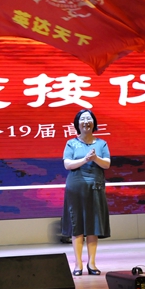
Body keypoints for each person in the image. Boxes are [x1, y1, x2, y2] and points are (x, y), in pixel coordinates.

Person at [61, 109, 111, 276]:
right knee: (77, 226)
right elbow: (67, 164)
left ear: (93, 123)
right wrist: (85, 160)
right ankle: (78, 264)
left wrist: (95, 158)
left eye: (89, 119)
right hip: (75, 188)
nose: (86, 122)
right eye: (82, 119)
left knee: (93, 226)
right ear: (77, 124)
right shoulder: (71, 143)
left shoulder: (101, 143)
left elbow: (106, 164)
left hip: (95, 187)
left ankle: (92, 263)